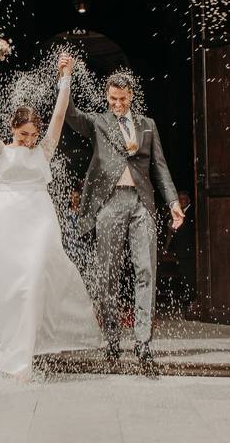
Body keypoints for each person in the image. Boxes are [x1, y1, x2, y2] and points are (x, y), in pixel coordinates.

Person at [0, 54, 102, 380]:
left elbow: (60, 114)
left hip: (39, 216)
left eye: (32, 135)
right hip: (6, 217)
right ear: (14, 130)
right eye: (23, 135)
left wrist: (65, 77)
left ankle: (27, 348)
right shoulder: (0, 151)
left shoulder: (43, 150)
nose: (29, 140)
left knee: (35, 275)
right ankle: (12, 342)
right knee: (11, 283)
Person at [64, 70, 184, 362]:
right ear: (108, 96)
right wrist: (65, 79)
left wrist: (173, 203)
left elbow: (160, 168)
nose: (117, 104)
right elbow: (70, 115)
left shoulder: (148, 126)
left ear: (131, 96)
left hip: (141, 203)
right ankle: (112, 337)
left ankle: (143, 341)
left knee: (146, 270)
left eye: (122, 98)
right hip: (110, 203)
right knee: (108, 275)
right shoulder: (98, 122)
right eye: (112, 99)